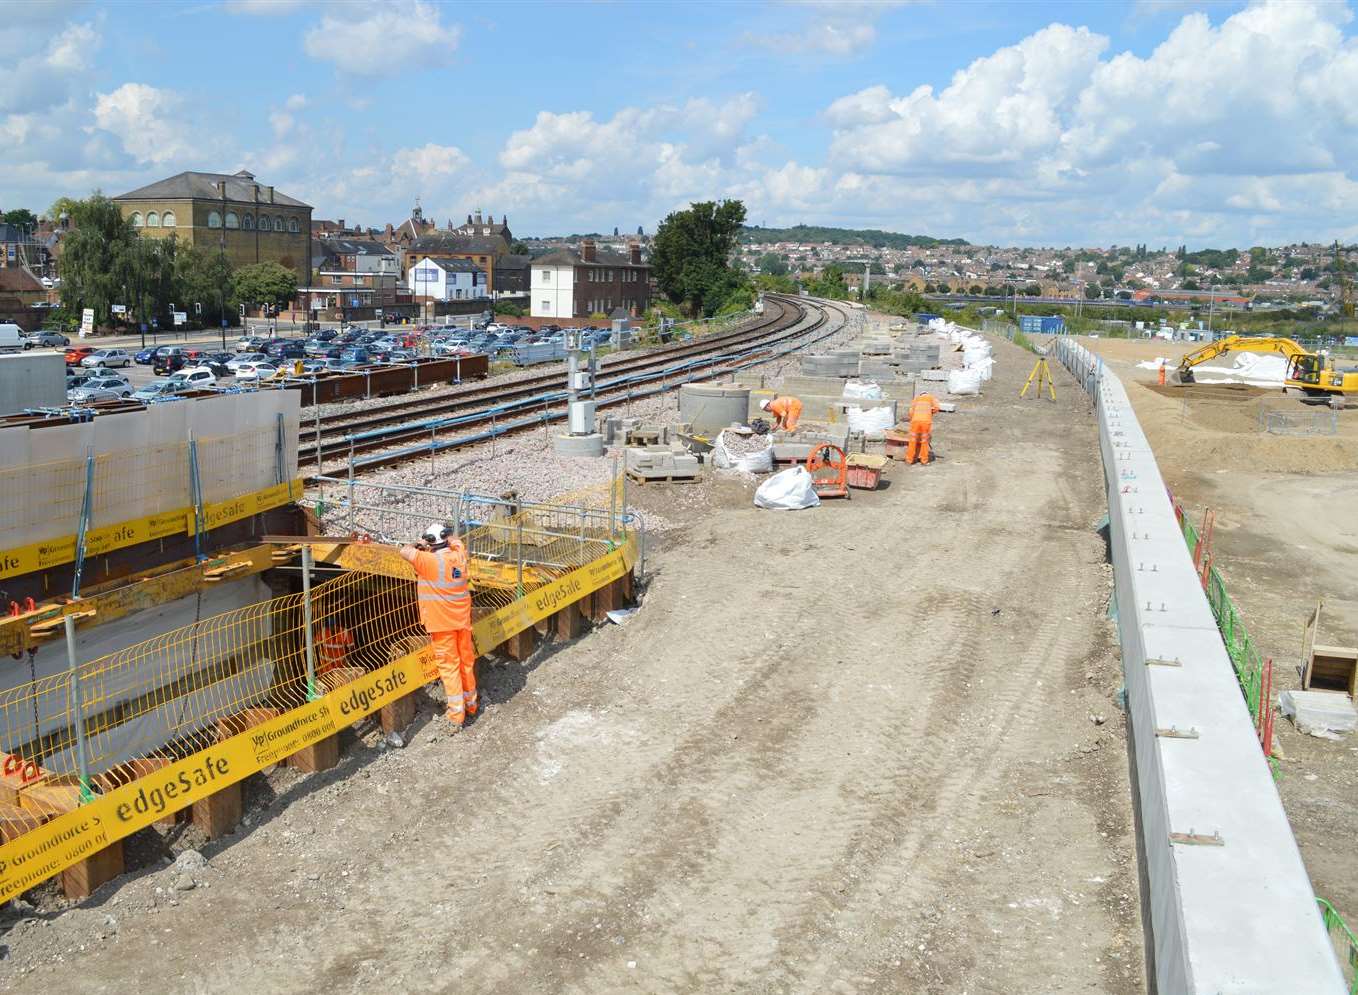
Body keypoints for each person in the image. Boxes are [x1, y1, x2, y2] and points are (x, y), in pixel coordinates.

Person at [400, 521, 477, 731]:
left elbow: (404, 551)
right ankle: (471, 704)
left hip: (441, 624)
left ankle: (456, 715)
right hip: (462, 620)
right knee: (466, 661)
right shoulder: (459, 555)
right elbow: (457, 542)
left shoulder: (427, 561)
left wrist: (419, 543)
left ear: (431, 542)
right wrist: (446, 537)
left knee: (449, 667)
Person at [905, 393, 941, 465]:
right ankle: (924, 460)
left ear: (921, 394)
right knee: (924, 441)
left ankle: (909, 460)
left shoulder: (916, 399)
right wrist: (930, 413)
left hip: (915, 421)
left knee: (912, 441)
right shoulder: (931, 398)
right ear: (927, 394)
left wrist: (913, 418)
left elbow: (911, 411)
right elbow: (937, 408)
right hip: (926, 422)